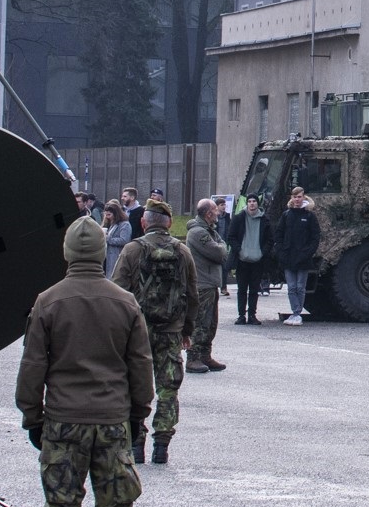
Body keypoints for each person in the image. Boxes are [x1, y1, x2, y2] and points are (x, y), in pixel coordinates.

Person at [16, 216, 151, 507]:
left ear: (68, 253)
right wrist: (137, 414)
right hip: (112, 421)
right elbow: (140, 366)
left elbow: (33, 365)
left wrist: (31, 415)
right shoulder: (124, 302)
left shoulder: (49, 301)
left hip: (63, 420)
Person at [112, 199, 205, 464]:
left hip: (136, 332)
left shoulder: (132, 250)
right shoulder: (182, 251)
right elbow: (192, 295)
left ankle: (136, 441)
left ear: (143, 222)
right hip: (171, 331)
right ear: (167, 224)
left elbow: (118, 292)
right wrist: (187, 330)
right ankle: (162, 443)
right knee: (168, 388)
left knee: (134, 385)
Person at [184, 199, 228, 375]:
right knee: (201, 322)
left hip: (210, 283)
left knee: (211, 322)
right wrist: (222, 247)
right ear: (208, 213)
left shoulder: (210, 231)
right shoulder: (197, 233)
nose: (218, 213)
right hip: (202, 284)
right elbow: (218, 252)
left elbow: (222, 246)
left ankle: (205, 355)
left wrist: (222, 247)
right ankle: (193, 357)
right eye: (215, 210)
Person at [276, 187, 320, 324]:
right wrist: (281, 251)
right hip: (288, 257)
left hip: (303, 258)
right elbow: (279, 234)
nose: (297, 199)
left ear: (304, 198)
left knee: (300, 287)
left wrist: (307, 253)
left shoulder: (309, 216)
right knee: (291, 287)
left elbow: (315, 237)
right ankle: (295, 312)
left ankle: (297, 313)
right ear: (292, 198)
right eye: (294, 197)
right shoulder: (286, 215)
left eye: (299, 197)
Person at [223, 197, 268, 325]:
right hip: (242, 259)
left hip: (257, 260)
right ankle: (241, 315)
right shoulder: (239, 218)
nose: (252, 204)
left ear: (258, 204)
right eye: (249, 201)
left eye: (254, 201)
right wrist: (239, 250)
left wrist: (262, 252)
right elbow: (231, 237)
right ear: (247, 204)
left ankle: (252, 314)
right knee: (242, 289)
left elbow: (269, 239)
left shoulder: (264, 219)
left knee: (254, 289)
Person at [101, 202, 131, 278]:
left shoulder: (125, 224)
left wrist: (108, 238)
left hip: (116, 256)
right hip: (107, 257)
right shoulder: (111, 223)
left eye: (109, 214)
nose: (107, 216)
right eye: (106, 213)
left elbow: (125, 240)